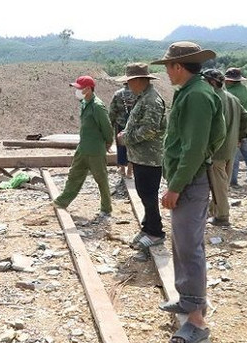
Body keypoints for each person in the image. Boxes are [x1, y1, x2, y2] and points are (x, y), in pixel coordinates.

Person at [154, 42, 225, 343]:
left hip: (189, 182)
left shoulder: (196, 95)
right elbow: (210, 137)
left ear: (178, 67)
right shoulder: (191, 91)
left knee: (189, 247)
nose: (167, 72)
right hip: (186, 179)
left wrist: (176, 186)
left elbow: (195, 147)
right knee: (181, 243)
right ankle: (187, 299)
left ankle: (196, 320)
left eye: (168, 66)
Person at [115, 63, 167, 261]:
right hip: (141, 157)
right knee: (144, 194)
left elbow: (149, 130)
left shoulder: (152, 100)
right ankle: (148, 227)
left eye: (129, 81)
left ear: (138, 81)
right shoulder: (143, 98)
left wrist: (125, 138)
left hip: (149, 157)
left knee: (148, 194)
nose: (128, 86)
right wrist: (126, 133)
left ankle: (155, 232)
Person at [53, 76, 114, 218]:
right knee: (74, 175)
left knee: (101, 179)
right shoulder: (84, 103)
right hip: (83, 148)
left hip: (95, 151)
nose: (77, 91)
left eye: (79, 88)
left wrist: (108, 143)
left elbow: (107, 128)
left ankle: (106, 208)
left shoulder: (97, 106)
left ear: (88, 89)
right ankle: (62, 201)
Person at [202, 69, 247, 227]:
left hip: (217, 151)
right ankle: (215, 211)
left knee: (218, 185)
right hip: (231, 149)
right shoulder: (233, 98)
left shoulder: (212, 98)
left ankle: (222, 217)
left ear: (212, 82)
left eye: (205, 80)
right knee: (223, 184)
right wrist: (240, 137)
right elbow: (246, 117)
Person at [225, 67, 247, 186]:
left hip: (235, 129)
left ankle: (232, 181)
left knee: (233, 156)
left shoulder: (229, 93)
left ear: (229, 80)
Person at [109, 82, 137, 178]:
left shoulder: (118, 94)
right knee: (132, 146)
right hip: (134, 125)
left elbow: (112, 111)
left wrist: (111, 124)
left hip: (120, 124)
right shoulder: (138, 93)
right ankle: (130, 171)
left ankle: (122, 169)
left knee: (121, 146)